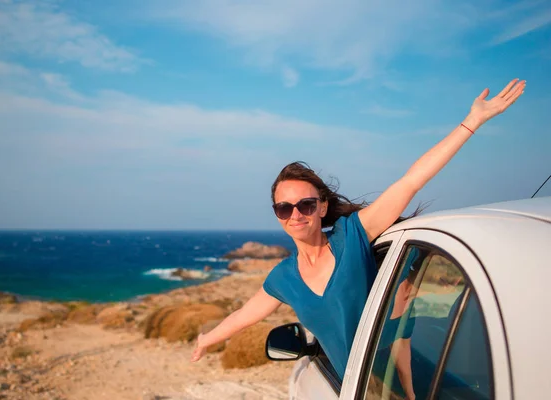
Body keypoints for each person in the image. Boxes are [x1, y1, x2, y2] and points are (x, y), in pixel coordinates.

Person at [190, 78, 525, 380]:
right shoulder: (283, 278)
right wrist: (206, 339)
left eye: (306, 205)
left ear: (321, 207)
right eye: (284, 208)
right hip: (356, 388)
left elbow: (410, 182)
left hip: (389, 385)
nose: (296, 214)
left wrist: (473, 121)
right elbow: (243, 316)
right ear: (277, 214)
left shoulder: (352, 236)